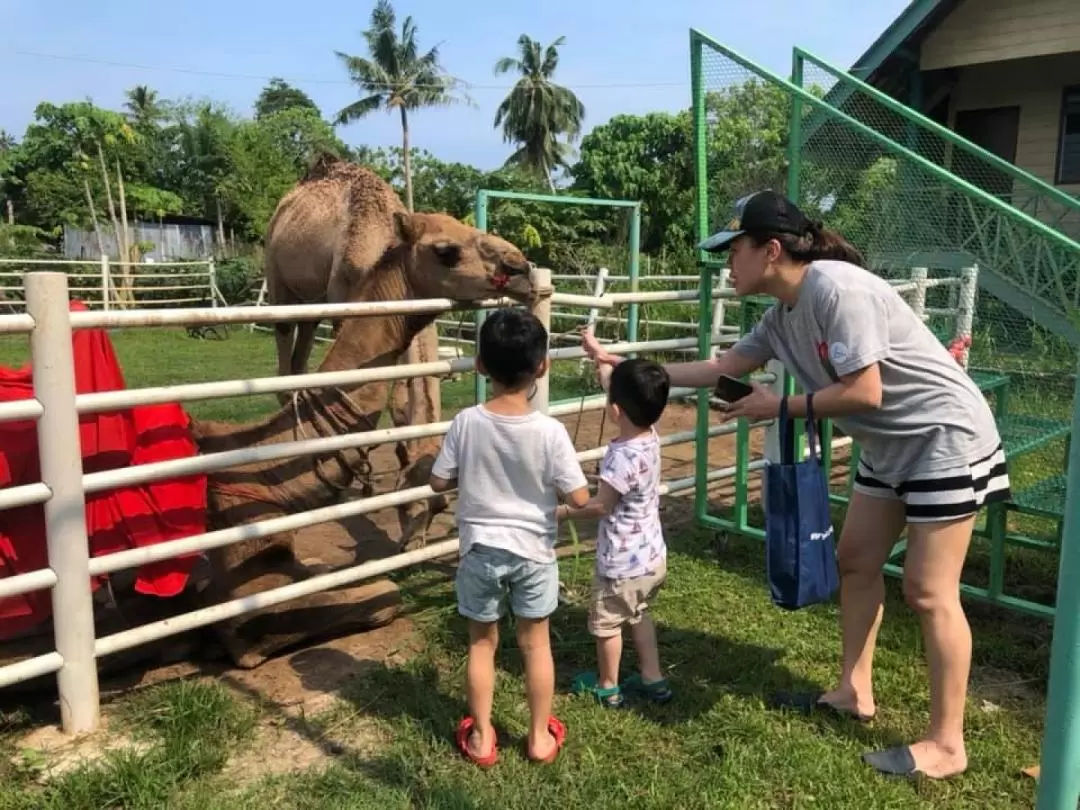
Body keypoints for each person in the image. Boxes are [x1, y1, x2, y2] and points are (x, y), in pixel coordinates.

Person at [580, 189, 1010, 780]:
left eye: (734, 250)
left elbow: (866, 392)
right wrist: (624, 369)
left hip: (942, 438)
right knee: (856, 561)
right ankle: (853, 690)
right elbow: (719, 368)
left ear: (771, 249)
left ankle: (947, 743)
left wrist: (776, 407)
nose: (727, 263)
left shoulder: (836, 290)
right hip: (888, 445)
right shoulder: (781, 315)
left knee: (929, 591)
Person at [430, 307, 590, 768]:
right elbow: (578, 497)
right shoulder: (551, 432)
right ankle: (539, 737)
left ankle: (482, 737)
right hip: (535, 553)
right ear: (543, 366)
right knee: (535, 643)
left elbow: (440, 482)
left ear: (480, 365)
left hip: (480, 549)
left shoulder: (466, 423)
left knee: (482, 643)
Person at [558, 356, 673, 709]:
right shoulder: (650, 437)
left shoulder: (621, 457)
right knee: (638, 614)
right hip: (650, 557)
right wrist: (599, 357)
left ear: (616, 409)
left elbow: (601, 505)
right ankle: (653, 677)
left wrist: (561, 511)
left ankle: (608, 686)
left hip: (621, 564)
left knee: (608, 625)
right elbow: (621, 392)